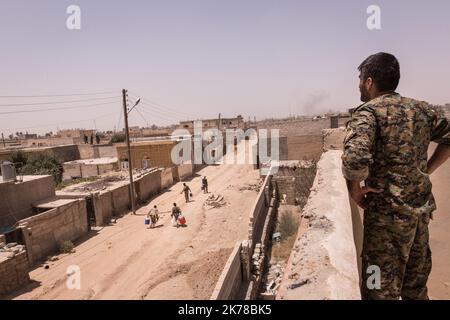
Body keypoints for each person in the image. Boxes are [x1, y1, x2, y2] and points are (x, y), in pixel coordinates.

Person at [342, 52, 450, 300]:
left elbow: (354, 159)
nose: (359, 84)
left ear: (369, 82)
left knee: (379, 291)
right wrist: (427, 169)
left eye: (360, 79)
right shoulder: (421, 109)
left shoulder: (368, 113)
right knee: (416, 290)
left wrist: (355, 190)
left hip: (385, 222)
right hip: (419, 214)